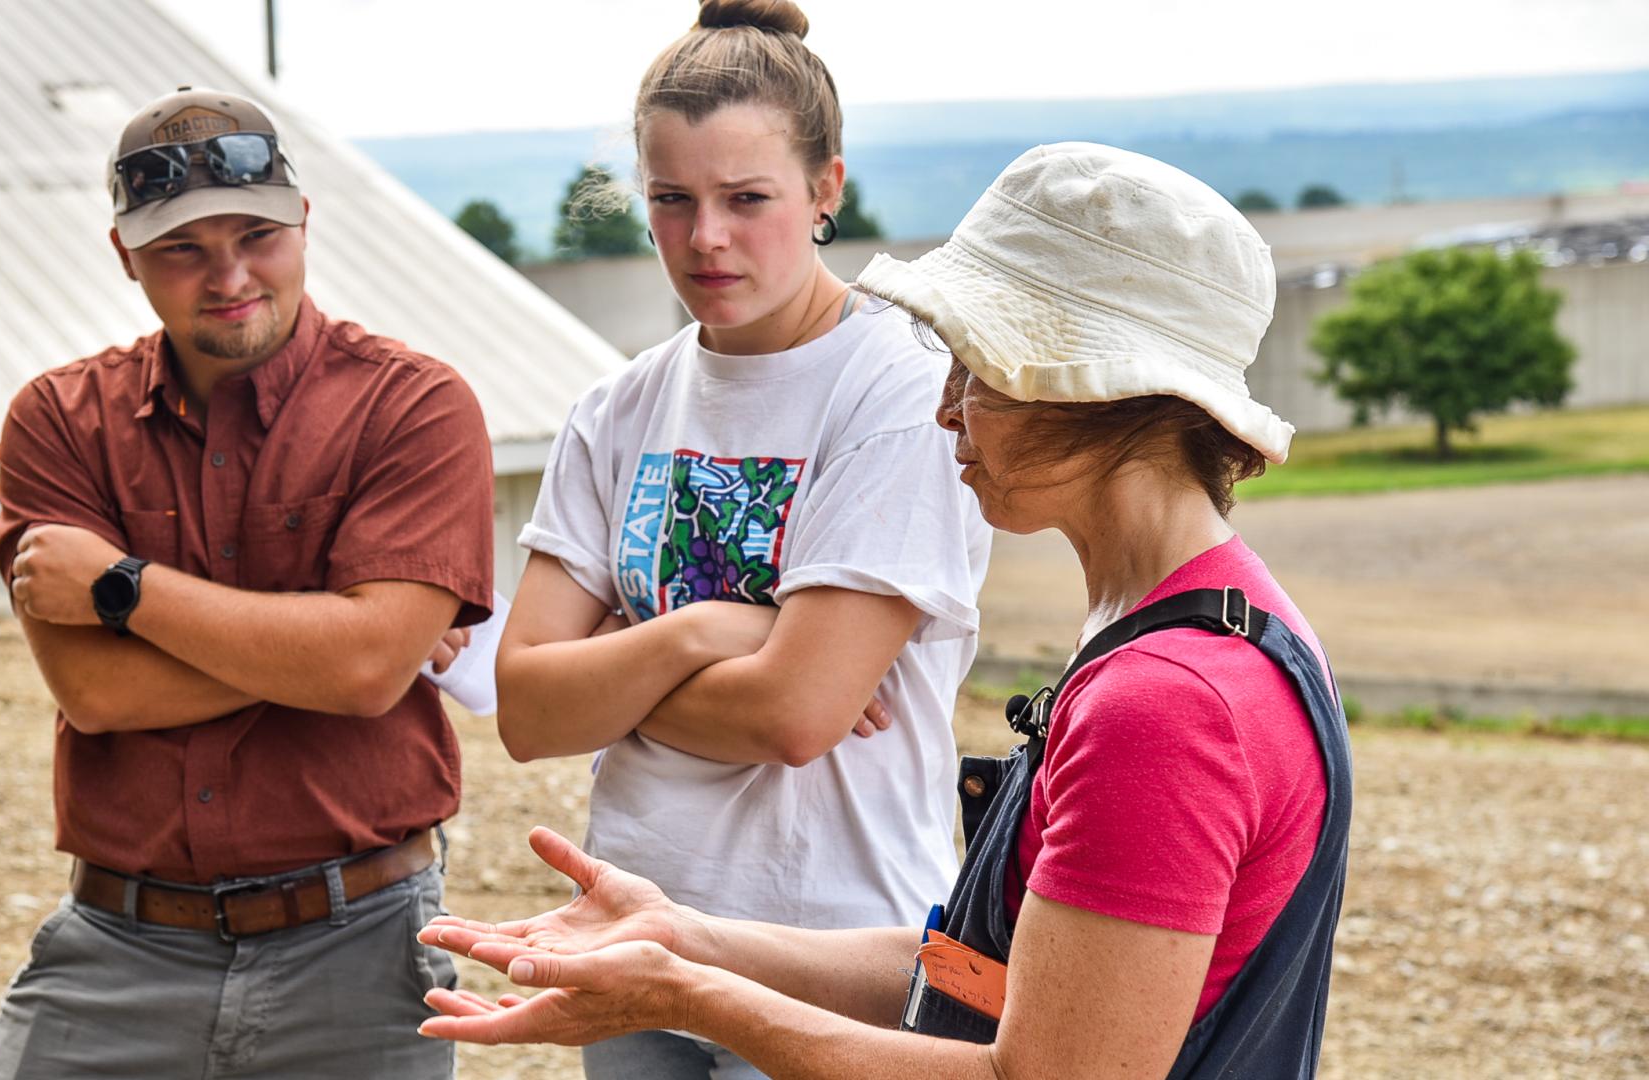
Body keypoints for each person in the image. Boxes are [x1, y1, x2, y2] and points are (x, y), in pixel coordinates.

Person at [418, 143, 1353, 1080]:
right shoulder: (1209, 625)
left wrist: (684, 996)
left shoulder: (1165, 706)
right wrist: (686, 940)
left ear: (1092, 390)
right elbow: (986, 978)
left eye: (977, 370)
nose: (947, 410)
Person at [493, 2, 991, 1075]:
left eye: (746, 199)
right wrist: (707, 631)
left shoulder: (898, 393)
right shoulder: (617, 407)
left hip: (829, 954)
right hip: (629, 929)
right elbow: (527, 708)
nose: (705, 237)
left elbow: (794, 714)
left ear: (826, 190)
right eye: (672, 200)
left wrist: (620, 667)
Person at [0, 86, 492, 1080]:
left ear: (302, 221)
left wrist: (122, 589)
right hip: (119, 943)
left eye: (256, 235)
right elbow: (98, 691)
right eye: (182, 249)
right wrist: (341, 640)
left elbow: (366, 675)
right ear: (125, 253)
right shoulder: (57, 421)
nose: (228, 276)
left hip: (363, 945)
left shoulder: (415, 407)